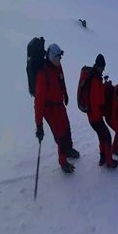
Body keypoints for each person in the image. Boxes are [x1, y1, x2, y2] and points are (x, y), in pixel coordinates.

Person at [34, 43, 79, 173]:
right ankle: (63, 160)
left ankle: (69, 149)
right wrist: (39, 125)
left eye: (60, 58)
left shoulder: (57, 66)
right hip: (49, 109)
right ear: (51, 57)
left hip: (59, 104)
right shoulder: (43, 74)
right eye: (57, 58)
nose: (59, 61)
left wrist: (65, 93)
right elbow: (38, 102)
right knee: (60, 134)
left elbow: (61, 79)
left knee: (66, 126)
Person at [87, 54, 118, 169]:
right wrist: (99, 114)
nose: (103, 69)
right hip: (95, 117)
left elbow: (98, 95)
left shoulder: (96, 77)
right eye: (102, 67)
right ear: (98, 66)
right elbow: (94, 101)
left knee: (102, 136)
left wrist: (105, 86)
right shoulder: (95, 80)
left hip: (93, 116)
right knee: (107, 137)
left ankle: (103, 157)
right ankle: (109, 162)